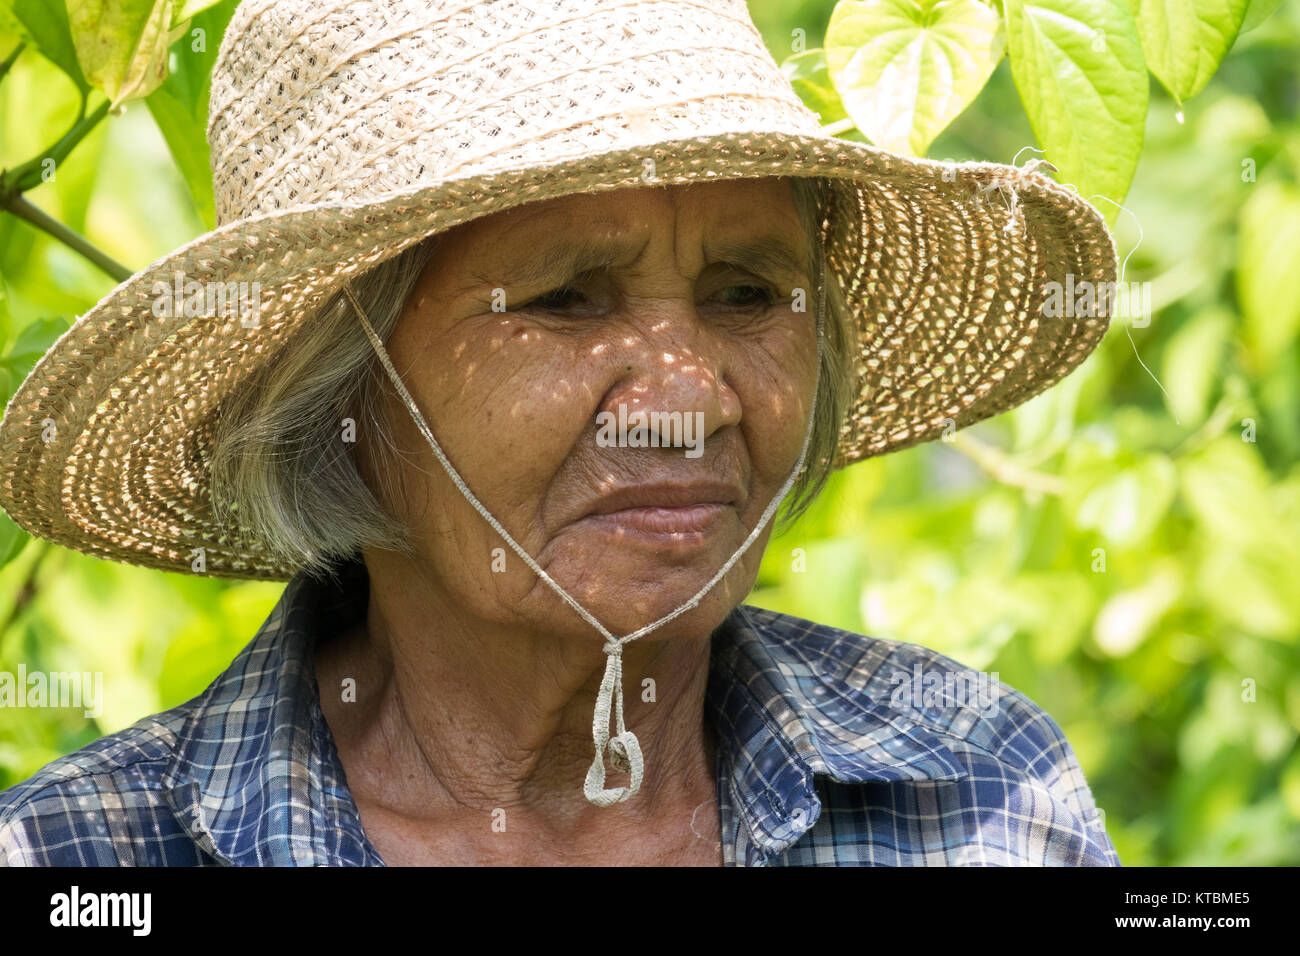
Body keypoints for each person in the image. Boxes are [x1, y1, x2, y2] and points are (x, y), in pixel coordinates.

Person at [0, 0, 1119, 866]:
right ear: (342, 385)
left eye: (744, 292)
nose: (695, 402)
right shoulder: (91, 856)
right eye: (567, 299)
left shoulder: (974, 793)